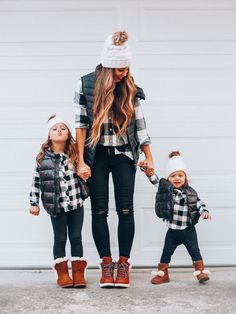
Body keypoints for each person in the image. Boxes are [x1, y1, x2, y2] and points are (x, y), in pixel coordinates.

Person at [74, 31, 153, 288]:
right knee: (99, 211)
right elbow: (80, 124)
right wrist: (80, 161)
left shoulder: (129, 86)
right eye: (120, 70)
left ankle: (123, 263)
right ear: (109, 68)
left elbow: (140, 126)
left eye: (127, 68)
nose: (125, 74)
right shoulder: (85, 84)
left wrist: (149, 156)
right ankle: (106, 263)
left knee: (125, 209)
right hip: (96, 156)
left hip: (123, 156)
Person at [29, 115, 87, 288]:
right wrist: (34, 202)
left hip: (77, 204)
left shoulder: (76, 155)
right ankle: (62, 273)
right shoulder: (42, 159)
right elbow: (36, 182)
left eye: (63, 128)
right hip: (56, 206)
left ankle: (78, 273)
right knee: (60, 238)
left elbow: (85, 174)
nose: (59, 130)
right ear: (49, 136)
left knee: (76, 237)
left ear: (69, 133)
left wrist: (85, 175)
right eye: (54, 128)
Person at [139, 151, 211, 284]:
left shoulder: (190, 193)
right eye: (173, 176)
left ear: (185, 177)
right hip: (172, 230)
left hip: (188, 230)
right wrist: (148, 172)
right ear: (168, 179)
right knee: (166, 252)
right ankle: (163, 274)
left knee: (194, 251)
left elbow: (199, 204)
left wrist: (204, 212)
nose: (177, 178)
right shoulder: (166, 190)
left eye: (180, 175)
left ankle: (200, 273)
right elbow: (155, 181)